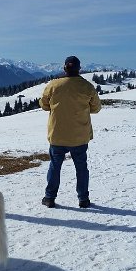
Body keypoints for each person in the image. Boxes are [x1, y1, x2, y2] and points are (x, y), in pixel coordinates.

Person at [39, 56, 102, 208]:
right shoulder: (87, 86)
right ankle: (83, 199)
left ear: (64, 68)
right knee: (81, 167)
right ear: (79, 68)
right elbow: (96, 108)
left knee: (55, 166)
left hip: (57, 134)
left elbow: (44, 104)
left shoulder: (54, 85)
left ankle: (49, 198)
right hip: (79, 136)